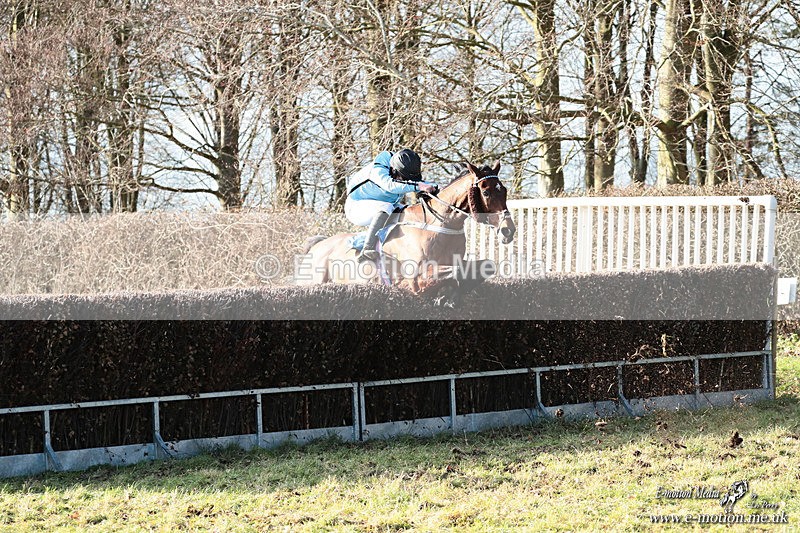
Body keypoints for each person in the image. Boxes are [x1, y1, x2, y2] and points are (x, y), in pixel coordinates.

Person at [345, 149, 438, 263]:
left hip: (384, 204)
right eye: (403, 178)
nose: (405, 181)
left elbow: (422, 183)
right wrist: (418, 186)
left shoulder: (403, 165)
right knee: (386, 207)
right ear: (394, 170)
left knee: (406, 212)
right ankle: (367, 248)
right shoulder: (379, 169)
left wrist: (437, 187)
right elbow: (390, 186)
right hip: (356, 207)